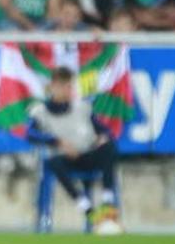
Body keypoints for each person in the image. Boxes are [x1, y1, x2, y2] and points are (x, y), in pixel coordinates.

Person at [27, 66, 121, 227]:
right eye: (63, 86)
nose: (67, 90)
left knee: (110, 148)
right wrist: (57, 142)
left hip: (87, 153)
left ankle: (108, 203)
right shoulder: (40, 111)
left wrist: (103, 137)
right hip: (64, 158)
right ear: (53, 87)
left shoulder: (82, 108)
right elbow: (31, 134)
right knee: (53, 162)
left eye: (69, 86)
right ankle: (88, 210)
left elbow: (105, 130)